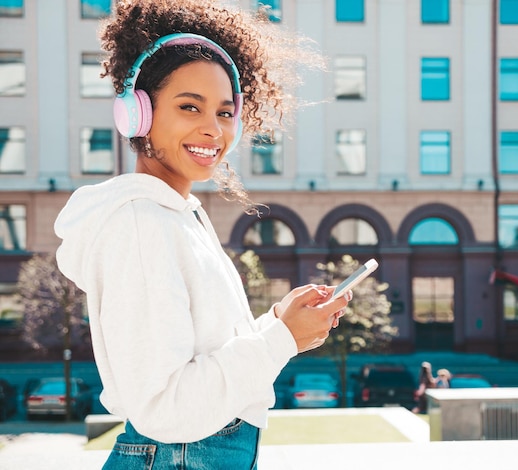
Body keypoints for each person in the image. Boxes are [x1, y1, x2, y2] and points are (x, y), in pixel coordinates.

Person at [54, 1, 346, 468]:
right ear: (138, 114)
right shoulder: (141, 223)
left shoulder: (178, 215)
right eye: (190, 106)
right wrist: (282, 339)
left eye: (226, 112)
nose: (213, 129)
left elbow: (207, 354)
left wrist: (277, 321)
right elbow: (164, 408)